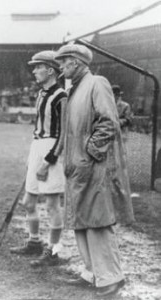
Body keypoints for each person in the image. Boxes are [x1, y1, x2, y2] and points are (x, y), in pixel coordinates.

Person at [55, 44, 135, 297]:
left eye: (63, 61)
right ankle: (92, 274)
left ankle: (112, 277)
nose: (60, 66)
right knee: (80, 221)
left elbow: (109, 123)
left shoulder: (97, 83)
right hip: (77, 167)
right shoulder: (74, 89)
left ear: (76, 62)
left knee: (98, 221)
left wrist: (90, 153)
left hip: (92, 166)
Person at [10, 50, 67, 267]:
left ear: (50, 70)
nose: (34, 71)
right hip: (38, 147)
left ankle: (53, 252)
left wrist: (48, 160)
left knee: (52, 205)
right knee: (28, 201)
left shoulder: (61, 96)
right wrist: (34, 157)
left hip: (52, 149)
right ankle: (34, 242)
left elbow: (63, 134)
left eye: (38, 67)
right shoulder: (41, 93)